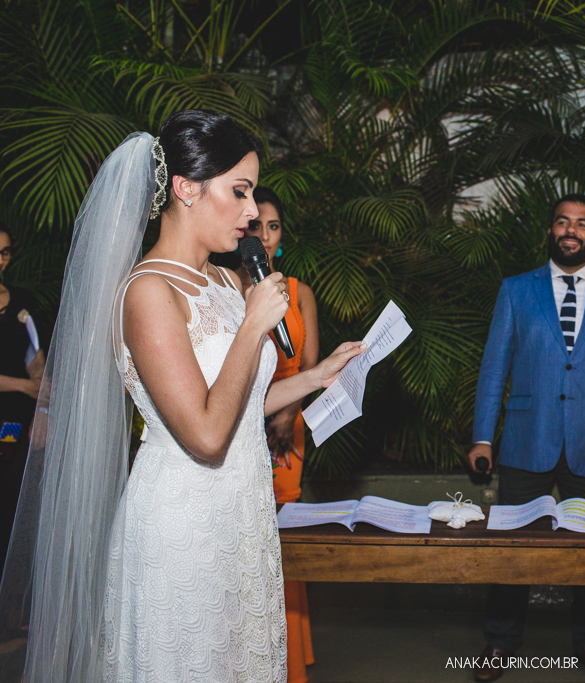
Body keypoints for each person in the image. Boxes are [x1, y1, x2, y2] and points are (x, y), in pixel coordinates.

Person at [0, 110, 364, 683]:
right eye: (240, 192)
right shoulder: (147, 292)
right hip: (183, 524)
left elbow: (238, 405)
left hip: (241, 513)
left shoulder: (224, 279)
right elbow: (204, 432)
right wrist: (250, 328)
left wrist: (316, 378)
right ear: (186, 188)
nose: (252, 211)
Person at [466, 194, 585, 683]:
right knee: (512, 547)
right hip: (527, 438)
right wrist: (482, 437)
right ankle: (500, 640)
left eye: (583, 224)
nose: (572, 230)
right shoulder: (515, 291)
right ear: (550, 230)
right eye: (563, 222)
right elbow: (493, 369)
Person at [235, 186, 319, 683]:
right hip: (241, 417)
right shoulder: (229, 286)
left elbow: (308, 364)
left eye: (274, 227)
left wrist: (289, 413)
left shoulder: (301, 292)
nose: (266, 235)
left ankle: (291, 660)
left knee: (287, 537)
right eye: (257, 226)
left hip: (292, 420)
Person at [0, 226, 45, 569]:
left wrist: (40, 399)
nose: (0, 260)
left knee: (9, 500)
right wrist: (23, 386)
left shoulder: (21, 303)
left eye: (4, 252)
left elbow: (36, 359)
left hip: (12, 421)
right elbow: (27, 382)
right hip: (16, 397)